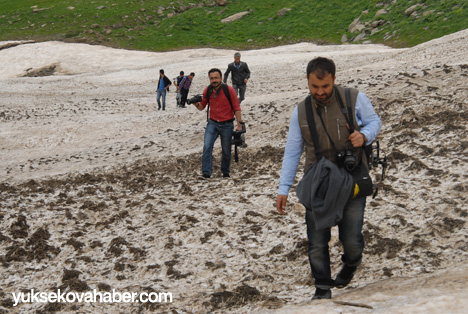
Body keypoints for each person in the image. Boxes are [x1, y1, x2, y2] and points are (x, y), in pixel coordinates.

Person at [276, 57, 381, 300]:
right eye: (314, 87)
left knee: (352, 240)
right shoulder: (300, 111)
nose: (320, 92)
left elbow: (375, 121)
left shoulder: (354, 98)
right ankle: (322, 288)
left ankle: (351, 263)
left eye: (325, 86)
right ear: (308, 82)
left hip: (352, 180)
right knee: (316, 242)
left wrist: (364, 135)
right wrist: (284, 189)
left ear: (334, 79)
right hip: (318, 184)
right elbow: (292, 151)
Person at [192, 68, 243, 178]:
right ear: (209, 79)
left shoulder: (229, 90)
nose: (214, 80)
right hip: (213, 123)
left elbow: (237, 108)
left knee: (226, 150)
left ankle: (225, 172)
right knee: (207, 146)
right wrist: (195, 104)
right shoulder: (208, 90)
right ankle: (206, 173)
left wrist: (239, 125)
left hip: (227, 124)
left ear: (221, 78)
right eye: (212, 78)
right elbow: (202, 107)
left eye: (216, 78)